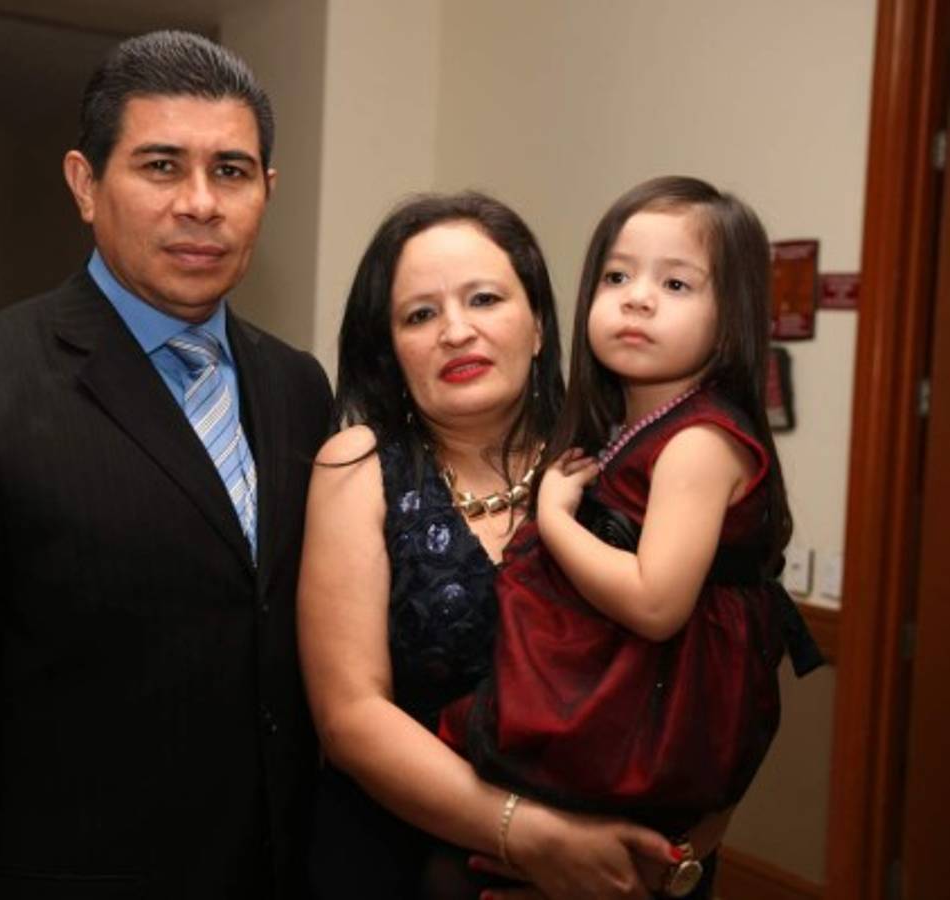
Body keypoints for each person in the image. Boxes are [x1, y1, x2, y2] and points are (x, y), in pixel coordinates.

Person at [0, 30, 333, 899]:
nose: (201, 204)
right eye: (161, 166)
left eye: (231, 171)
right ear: (84, 184)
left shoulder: (297, 386)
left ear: (267, 191)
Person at [298, 192, 720, 900]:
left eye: (485, 299)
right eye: (419, 315)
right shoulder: (358, 466)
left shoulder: (629, 459)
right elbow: (350, 715)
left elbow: (722, 665)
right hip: (404, 861)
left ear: (538, 325)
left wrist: (669, 859)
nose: (455, 331)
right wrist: (527, 834)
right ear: (390, 351)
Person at [438, 176, 823, 898]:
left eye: (675, 284)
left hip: (654, 725)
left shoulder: (699, 442)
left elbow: (655, 604)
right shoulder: (633, 425)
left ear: (731, 316)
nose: (637, 298)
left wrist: (554, 518)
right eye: (617, 276)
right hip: (619, 710)